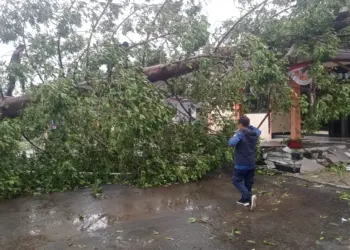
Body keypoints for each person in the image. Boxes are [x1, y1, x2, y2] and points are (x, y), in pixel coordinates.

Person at [228, 115, 261, 211]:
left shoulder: (240, 134)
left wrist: (236, 134)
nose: (238, 126)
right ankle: (245, 200)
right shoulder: (254, 133)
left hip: (241, 163)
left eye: (238, 125)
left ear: (241, 125)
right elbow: (258, 131)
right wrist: (247, 127)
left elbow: (230, 143)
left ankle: (249, 196)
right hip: (251, 163)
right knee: (248, 182)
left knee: (236, 180)